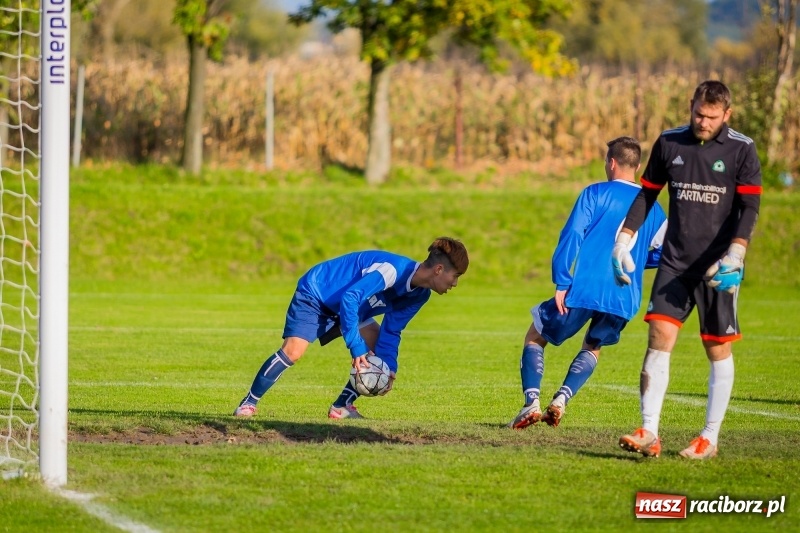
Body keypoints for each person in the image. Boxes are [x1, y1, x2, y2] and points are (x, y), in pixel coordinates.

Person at [612, 80, 761, 459]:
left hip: (717, 266)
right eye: (697, 113)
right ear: (690, 106)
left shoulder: (742, 150)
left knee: (716, 347)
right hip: (675, 262)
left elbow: (749, 209)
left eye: (711, 117)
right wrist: (624, 239)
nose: (702, 121)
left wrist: (737, 253)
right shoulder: (669, 143)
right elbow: (648, 194)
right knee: (658, 337)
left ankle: (709, 438)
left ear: (726, 115)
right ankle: (649, 430)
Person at [509, 136, 667, 430]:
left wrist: (561, 279)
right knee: (593, 346)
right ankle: (561, 401)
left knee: (535, 336)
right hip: (624, 296)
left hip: (584, 287)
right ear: (638, 166)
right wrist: (631, 263)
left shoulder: (595, 193)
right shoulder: (654, 207)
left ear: (612, 162)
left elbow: (572, 234)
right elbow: (663, 252)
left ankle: (531, 402)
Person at [233, 237, 469, 419]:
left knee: (380, 353)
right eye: (455, 276)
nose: (455, 284)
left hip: (354, 309)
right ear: (439, 270)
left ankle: (341, 407)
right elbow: (350, 297)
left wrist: (388, 368)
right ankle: (248, 403)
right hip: (318, 294)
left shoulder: (419, 296)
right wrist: (356, 347)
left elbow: (392, 330)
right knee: (294, 351)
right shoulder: (392, 270)